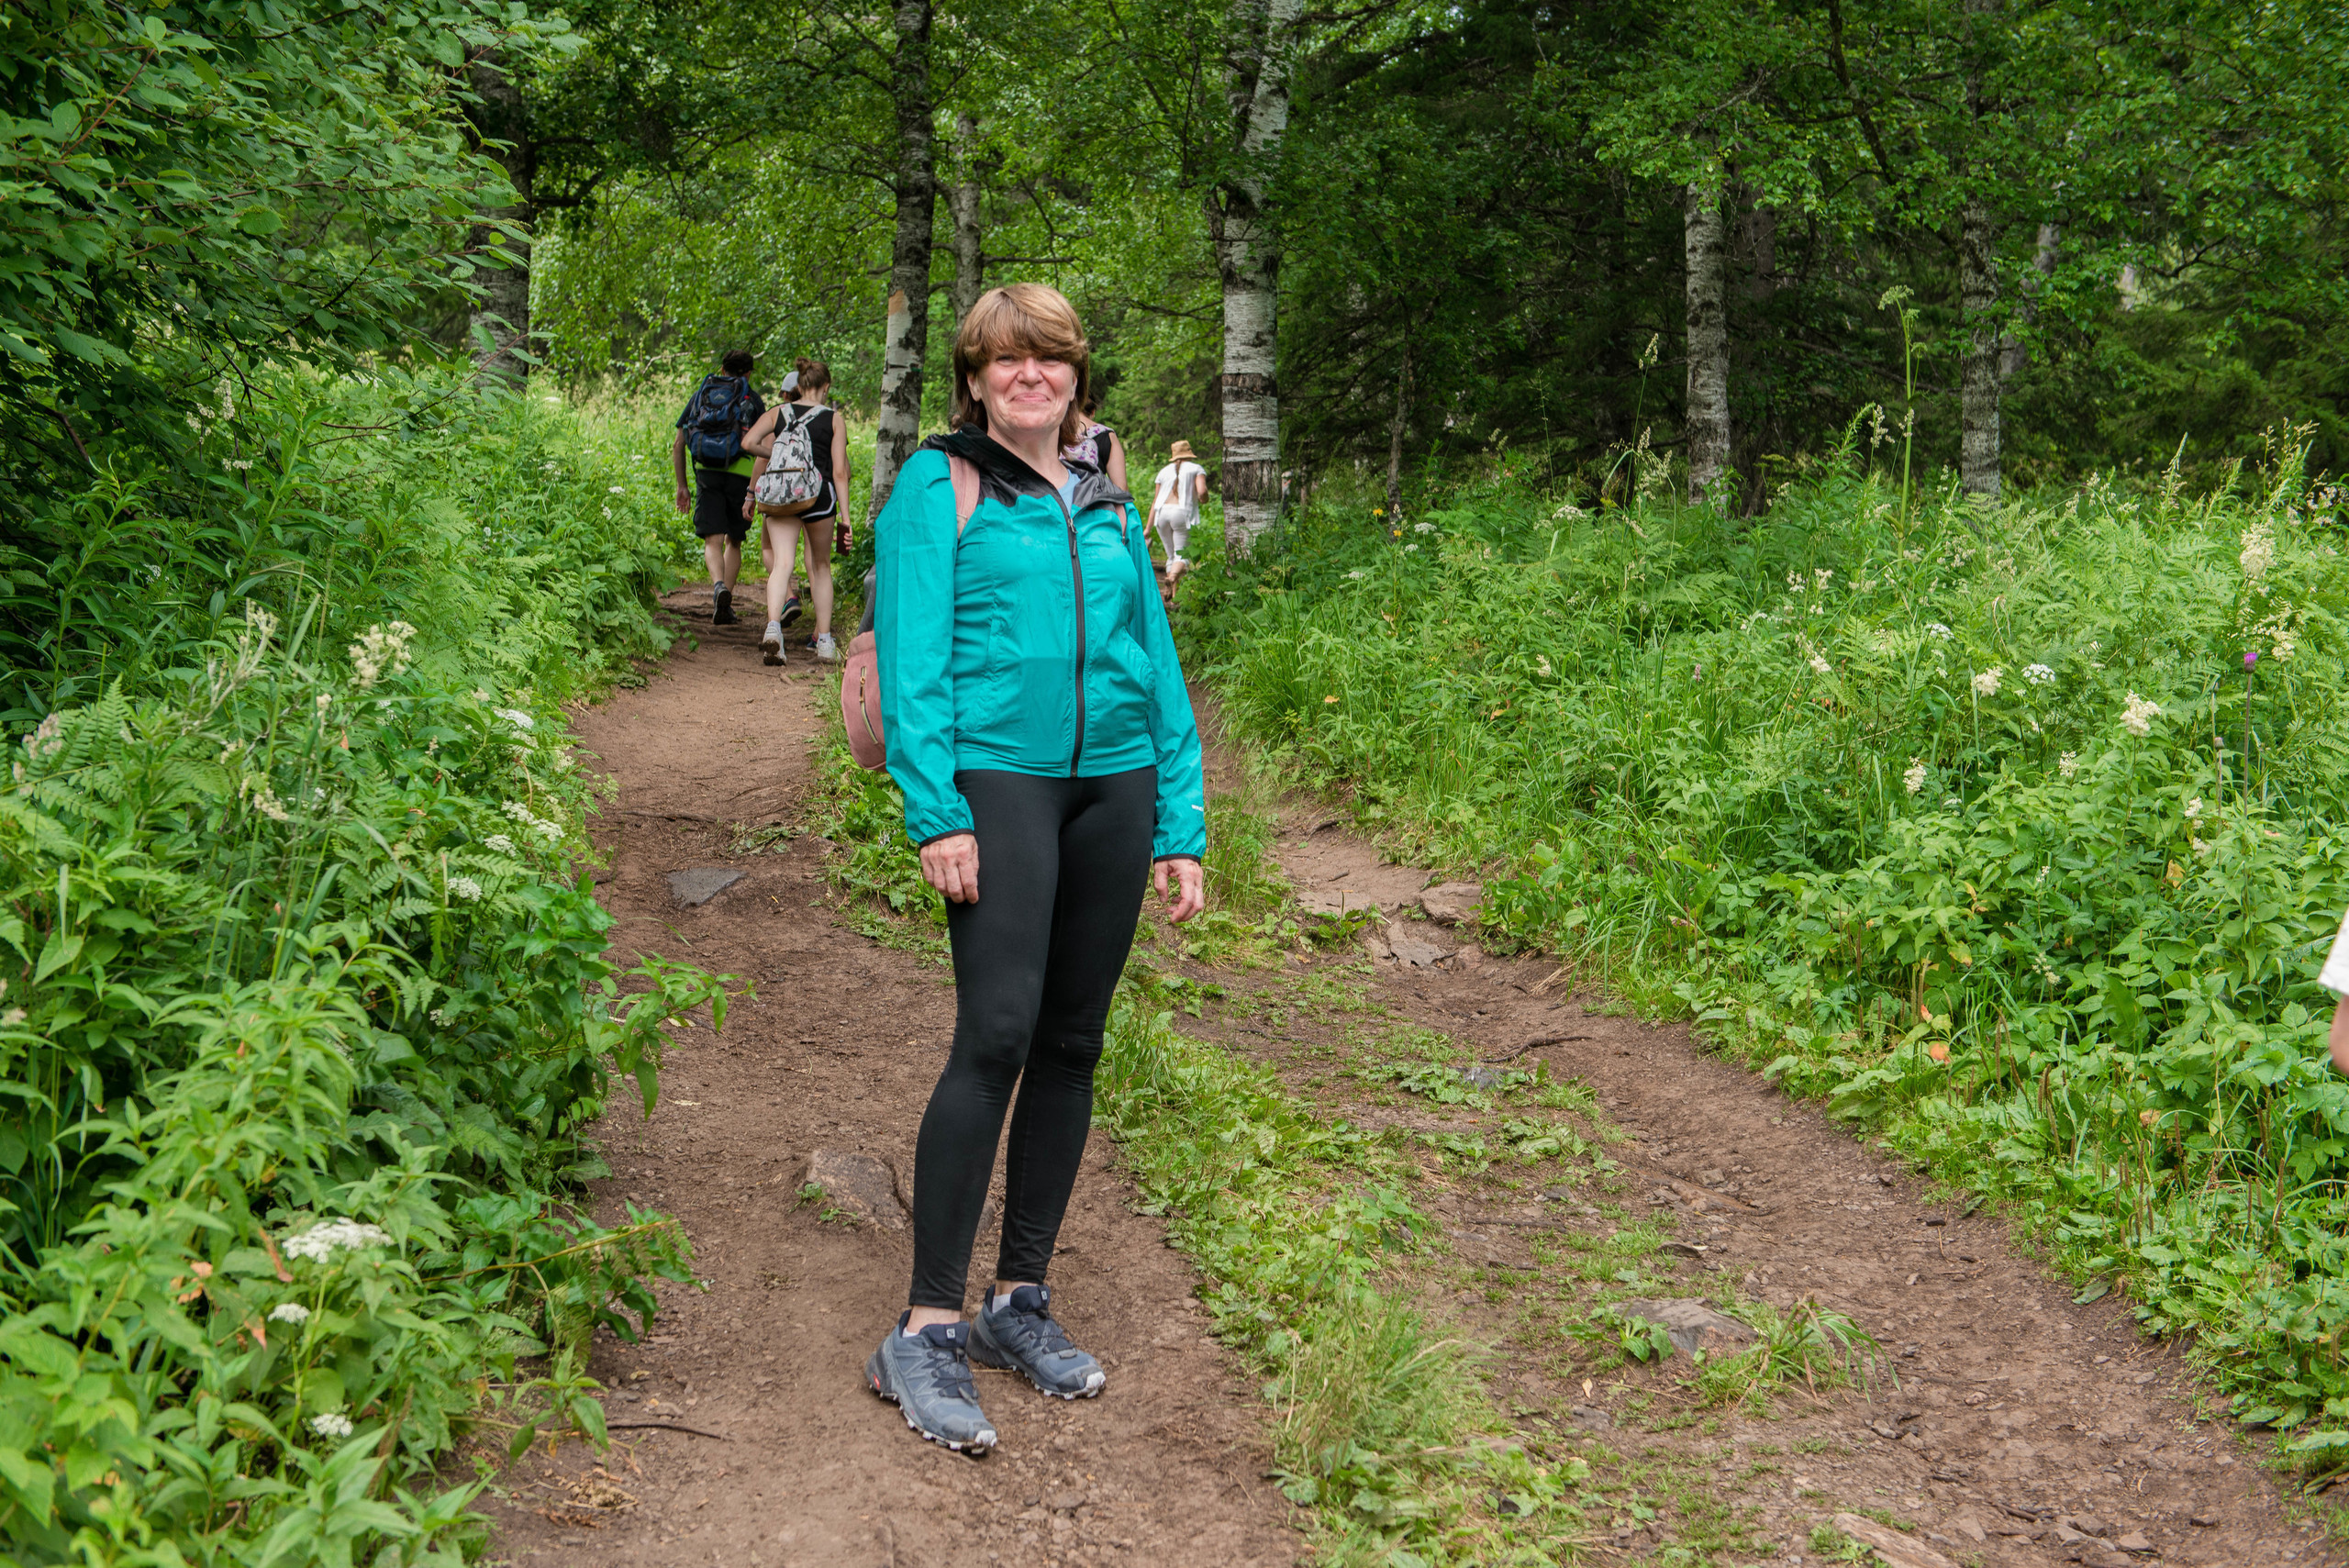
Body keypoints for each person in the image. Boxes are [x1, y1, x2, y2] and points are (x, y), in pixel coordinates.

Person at [864, 284, 1208, 1452]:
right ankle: (923, 1326)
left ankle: (1020, 1299)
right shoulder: (938, 483)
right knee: (997, 1034)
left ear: (1074, 376)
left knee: (1072, 1041)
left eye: (1048, 360)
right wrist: (934, 810)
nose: (1028, 377)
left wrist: (1181, 817)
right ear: (973, 378)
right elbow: (912, 659)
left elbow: (1153, 656)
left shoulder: (1106, 489)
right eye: (1005, 362)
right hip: (998, 781)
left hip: (1114, 788)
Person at [742, 358, 850, 664]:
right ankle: (826, 642)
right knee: (820, 567)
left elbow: (748, 442)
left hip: (781, 494)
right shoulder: (833, 418)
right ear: (825, 386)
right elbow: (840, 472)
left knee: (782, 564)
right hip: (819, 497)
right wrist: (845, 518)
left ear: (799, 386)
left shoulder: (777, 412)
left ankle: (774, 631)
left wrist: (776, 453)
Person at [671, 350, 766, 625]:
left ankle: (717, 586)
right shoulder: (752, 400)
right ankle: (725, 603)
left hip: (706, 472)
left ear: (722, 369)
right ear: (749, 373)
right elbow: (766, 446)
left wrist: (682, 485)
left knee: (712, 539)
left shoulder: (702, 394)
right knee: (733, 539)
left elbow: (679, 443)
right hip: (741, 475)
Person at [1147, 439, 1207, 587]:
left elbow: (1155, 501)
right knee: (1181, 555)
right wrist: (1204, 499)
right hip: (1181, 513)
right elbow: (1202, 491)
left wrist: (1148, 529)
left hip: (1161, 514)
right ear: (1189, 453)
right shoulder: (1196, 468)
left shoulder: (1163, 471)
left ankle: (1173, 594)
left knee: (1171, 556)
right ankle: (1173, 577)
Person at [1062, 394, 1128, 491]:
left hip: (1057, 503)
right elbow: (1121, 488)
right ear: (1093, 412)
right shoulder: (1107, 436)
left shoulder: (1054, 436)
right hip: (1094, 502)